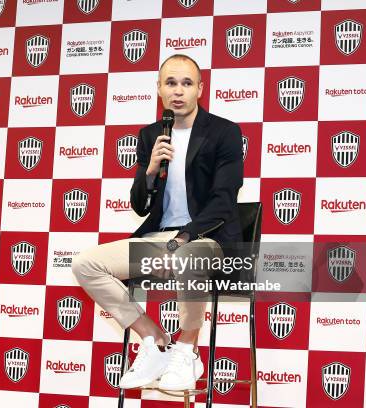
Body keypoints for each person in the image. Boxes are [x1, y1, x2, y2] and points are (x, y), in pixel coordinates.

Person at [72, 54, 243, 391]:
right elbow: (139, 205)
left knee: (187, 257)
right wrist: (149, 170)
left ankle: (188, 349)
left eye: (186, 83)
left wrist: (181, 240)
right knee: (85, 264)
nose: (178, 91)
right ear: (159, 90)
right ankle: (154, 338)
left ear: (199, 90)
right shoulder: (151, 135)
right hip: (159, 236)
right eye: (170, 83)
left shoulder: (224, 132)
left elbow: (223, 201)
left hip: (210, 240)